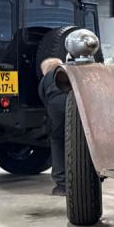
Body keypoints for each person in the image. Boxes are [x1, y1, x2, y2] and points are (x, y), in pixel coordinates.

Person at [39, 57, 69, 196]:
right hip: (78, 103)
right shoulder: (70, 70)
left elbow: (46, 102)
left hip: (57, 106)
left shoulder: (45, 80)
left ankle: (62, 185)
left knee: (58, 140)